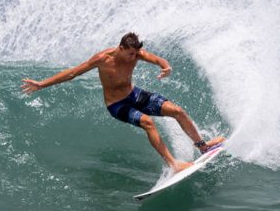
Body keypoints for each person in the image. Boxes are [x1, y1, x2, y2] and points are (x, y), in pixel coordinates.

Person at [21, 32, 225, 173]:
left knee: (177, 111)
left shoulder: (136, 54)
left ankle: (203, 147)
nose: (134, 58)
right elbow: (73, 73)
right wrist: (41, 84)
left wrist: (166, 67)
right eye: (130, 54)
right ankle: (173, 164)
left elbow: (156, 60)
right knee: (148, 123)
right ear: (120, 48)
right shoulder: (102, 59)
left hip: (134, 95)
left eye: (136, 54)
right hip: (117, 105)